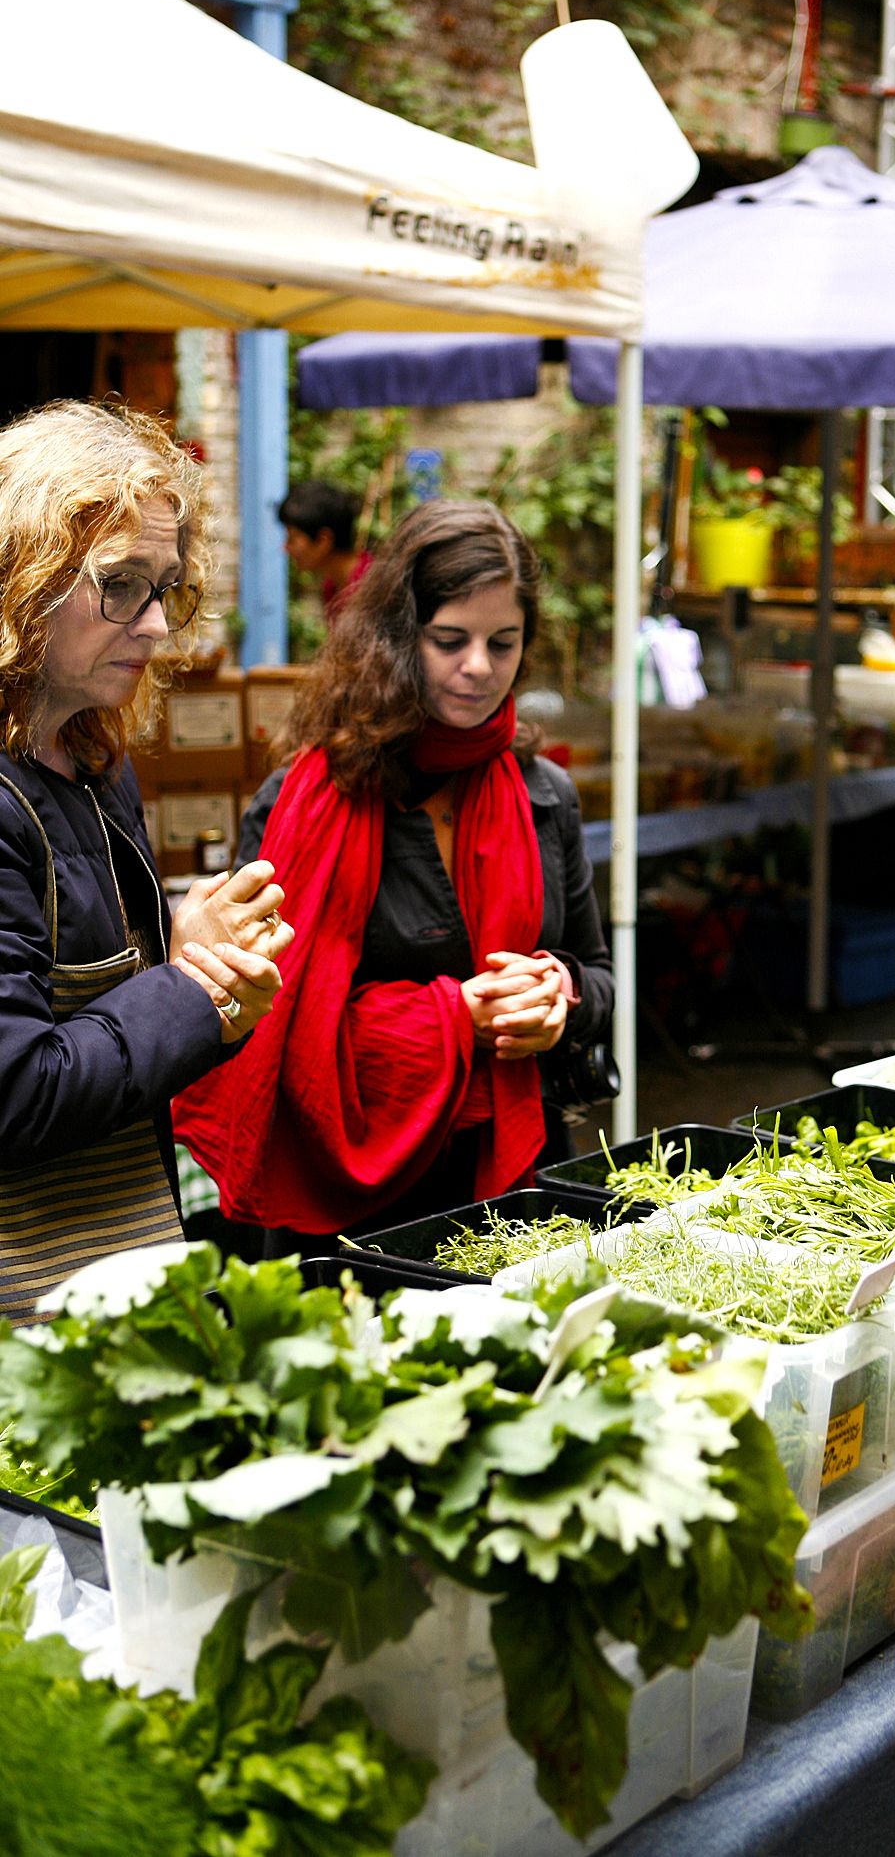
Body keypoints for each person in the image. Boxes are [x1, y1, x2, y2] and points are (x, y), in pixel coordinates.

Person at [174, 499, 613, 1246]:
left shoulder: (542, 794)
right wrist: (451, 1018)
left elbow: (597, 973)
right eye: (451, 640)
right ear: (397, 640)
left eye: (502, 643)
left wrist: (558, 997)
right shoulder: (307, 802)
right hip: (347, 1210)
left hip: (515, 1187)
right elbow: (258, 1021)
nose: (479, 667)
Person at [0, 400, 290, 1320]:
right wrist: (190, 983)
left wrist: (183, 955)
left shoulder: (90, 760)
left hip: (104, 1272)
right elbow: (15, 1098)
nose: (157, 625)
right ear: (21, 577)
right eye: (120, 584)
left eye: (165, 587)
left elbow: (80, 1006)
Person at [278, 479, 371, 617]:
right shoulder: (332, 587)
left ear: (323, 540)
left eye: (292, 538)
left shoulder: (371, 588)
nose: (285, 548)